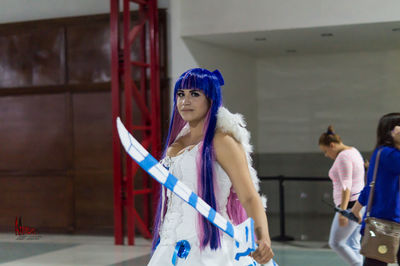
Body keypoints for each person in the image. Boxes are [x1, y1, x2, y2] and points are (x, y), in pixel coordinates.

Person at [148, 68, 274, 265]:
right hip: (170, 247)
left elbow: (249, 196)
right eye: (181, 94)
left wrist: (262, 237)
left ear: (211, 99)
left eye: (194, 94)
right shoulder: (176, 143)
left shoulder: (222, 141)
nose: (185, 101)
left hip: (211, 248)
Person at [351, 113, 400, 266]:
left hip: (389, 220)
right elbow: (371, 186)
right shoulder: (387, 154)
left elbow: (370, 187)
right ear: (391, 131)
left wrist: (355, 209)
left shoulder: (381, 153)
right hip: (386, 221)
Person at [319, 126, 365, 266]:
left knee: (336, 243)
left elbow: (347, 185)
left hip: (350, 206)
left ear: (332, 145)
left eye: (326, 151)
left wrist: (343, 212)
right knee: (352, 243)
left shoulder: (344, 156)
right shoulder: (353, 151)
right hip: (359, 204)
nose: (326, 155)